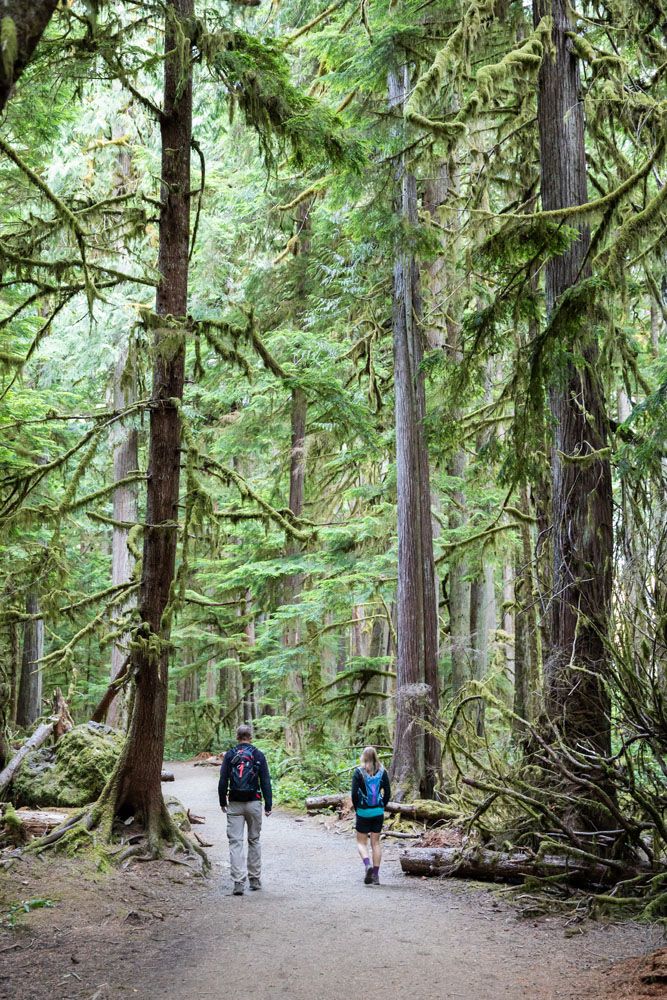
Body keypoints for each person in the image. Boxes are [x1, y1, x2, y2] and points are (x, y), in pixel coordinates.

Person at [218, 724, 273, 896]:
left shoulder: (230, 754)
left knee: (235, 842)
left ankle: (238, 883)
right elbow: (265, 781)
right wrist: (268, 804)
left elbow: (223, 780)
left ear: (237, 737)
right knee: (254, 840)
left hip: (234, 803)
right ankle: (255, 879)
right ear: (251, 737)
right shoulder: (258, 754)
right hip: (254, 802)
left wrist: (222, 801)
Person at [351, 745, 391, 885]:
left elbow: (354, 794)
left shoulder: (358, 772)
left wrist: (358, 809)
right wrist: (381, 807)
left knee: (361, 842)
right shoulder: (382, 772)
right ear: (376, 756)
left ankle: (367, 865)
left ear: (364, 757)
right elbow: (387, 793)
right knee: (376, 843)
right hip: (378, 812)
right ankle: (375, 875)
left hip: (363, 812)